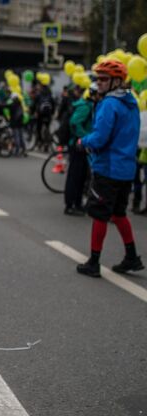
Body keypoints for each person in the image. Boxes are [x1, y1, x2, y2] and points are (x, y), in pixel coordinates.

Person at [76, 60, 143, 277]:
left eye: (104, 79)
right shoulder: (131, 102)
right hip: (126, 169)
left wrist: (83, 141)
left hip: (108, 168)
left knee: (99, 215)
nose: (99, 82)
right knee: (119, 213)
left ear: (117, 81)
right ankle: (131, 257)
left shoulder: (109, 104)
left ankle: (93, 262)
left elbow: (100, 137)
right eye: (98, 78)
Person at [64, 84, 97, 216]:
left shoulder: (88, 105)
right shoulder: (85, 106)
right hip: (78, 146)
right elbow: (74, 122)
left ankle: (77, 204)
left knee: (82, 176)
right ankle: (70, 205)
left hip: (82, 145)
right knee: (75, 176)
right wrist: (85, 138)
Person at [33, 81, 56, 152]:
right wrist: (52, 113)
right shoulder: (50, 94)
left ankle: (40, 141)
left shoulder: (39, 94)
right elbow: (54, 104)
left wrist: (35, 112)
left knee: (38, 128)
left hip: (40, 114)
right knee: (47, 127)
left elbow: (35, 104)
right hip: (48, 114)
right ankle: (47, 142)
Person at [7, 87, 26, 157]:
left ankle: (17, 151)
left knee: (16, 136)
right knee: (21, 136)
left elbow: (9, 111)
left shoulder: (12, 105)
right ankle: (24, 149)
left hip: (15, 122)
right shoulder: (20, 103)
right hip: (20, 122)